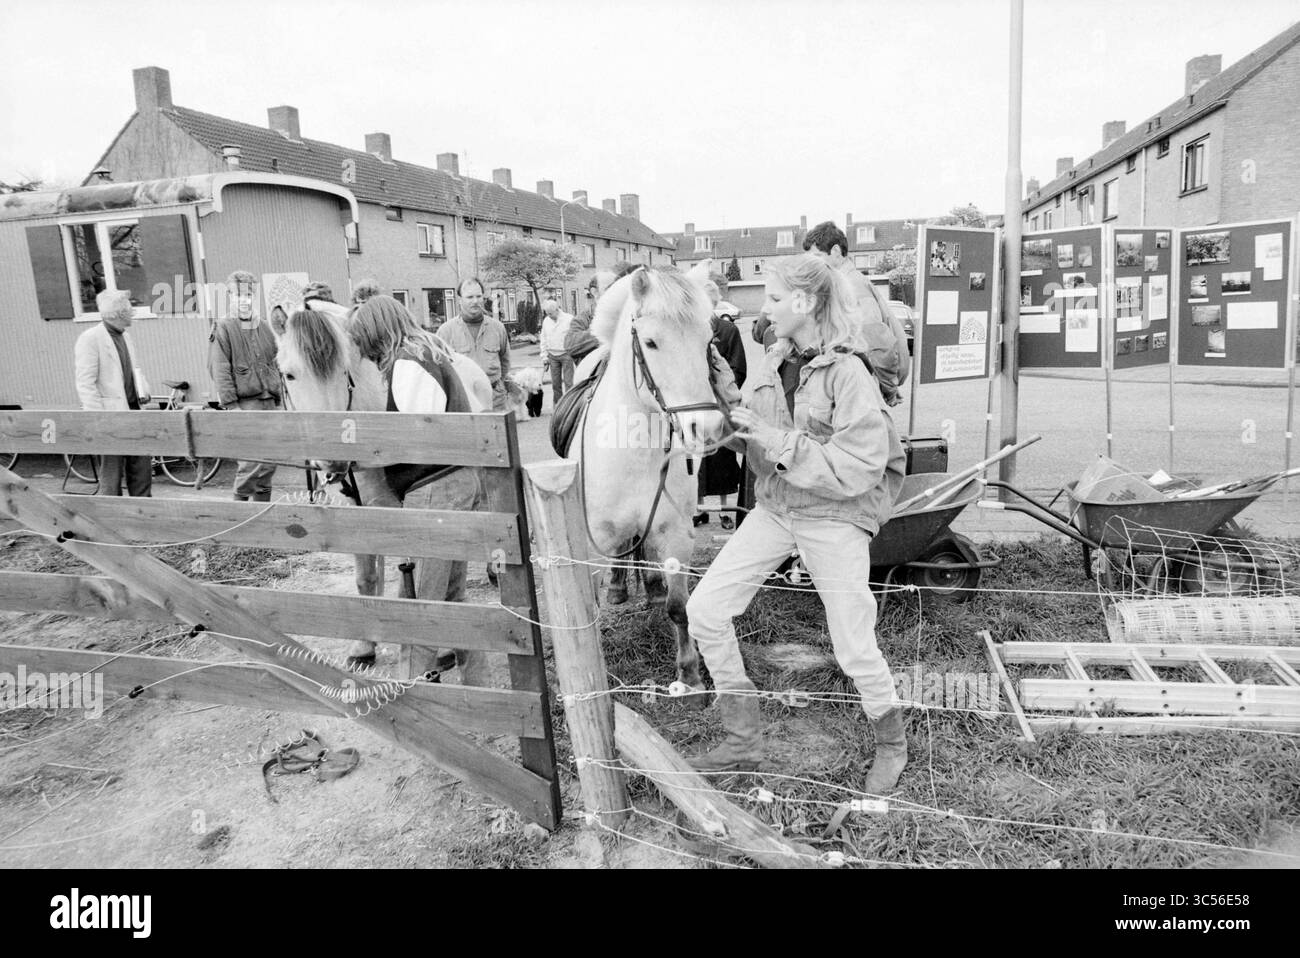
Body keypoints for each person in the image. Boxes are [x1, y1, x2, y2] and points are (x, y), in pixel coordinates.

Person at [685, 253, 909, 796]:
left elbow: (858, 467)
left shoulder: (849, 372)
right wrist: (727, 407)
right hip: (778, 508)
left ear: (805, 303)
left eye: (775, 298)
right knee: (704, 610)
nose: (764, 309)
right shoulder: (773, 358)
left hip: (834, 514)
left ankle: (892, 743)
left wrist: (770, 437)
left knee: (853, 644)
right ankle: (743, 736)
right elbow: (760, 439)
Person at [346, 294, 484, 680]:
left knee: (419, 607)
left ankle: (411, 695)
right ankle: (481, 688)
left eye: (369, 346)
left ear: (378, 334)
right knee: (454, 600)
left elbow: (417, 438)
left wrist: (361, 456)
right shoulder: (429, 352)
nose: (371, 357)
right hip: (453, 484)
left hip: (435, 489)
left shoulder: (408, 363)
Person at [73, 289, 153, 497]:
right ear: (118, 313)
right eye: (129, 308)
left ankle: (143, 511)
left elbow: (134, 368)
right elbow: (85, 383)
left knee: (141, 469)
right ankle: (111, 515)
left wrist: (144, 389)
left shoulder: (125, 336)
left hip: (134, 412)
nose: (133, 312)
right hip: (110, 418)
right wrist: (98, 418)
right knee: (112, 474)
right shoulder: (91, 338)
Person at [209, 271, 281, 501]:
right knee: (250, 463)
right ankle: (239, 517)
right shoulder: (224, 328)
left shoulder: (265, 328)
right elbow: (218, 368)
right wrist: (231, 405)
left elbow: (278, 363)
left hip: (270, 403)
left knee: (269, 464)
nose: (244, 300)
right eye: (238, 295)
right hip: (245, 405)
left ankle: (262, 518)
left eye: (248, 294)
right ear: (230, 297)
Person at [695, 277, 748, 530]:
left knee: (723, 460)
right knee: (696, 459)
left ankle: (725, 511)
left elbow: (739, 367)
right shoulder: (689, 330)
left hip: (719, 406)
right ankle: (698, 508)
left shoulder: (728, 331)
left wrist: (721, 392)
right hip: (694, 405)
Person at [436, 277, 511, 411]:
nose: (475, 301)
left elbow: (505, 361)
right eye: (469, 297)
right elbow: (439, 369)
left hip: (496, 399)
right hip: (463, 400)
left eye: (478, 296)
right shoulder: (445, 331)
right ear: (460, 300)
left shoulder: (498, 328)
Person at [538, 298, 574, 406]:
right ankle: (558, 405)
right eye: (547, 314)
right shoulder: (546, 321)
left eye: (550, 313)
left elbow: (574, 336)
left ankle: (569, 405)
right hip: (552, 355)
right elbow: (543, 339)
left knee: (569, 383)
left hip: (566, 354)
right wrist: (544, 357)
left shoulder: (569, 319)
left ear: (557, 310)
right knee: (555, 384)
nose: (549, 316)